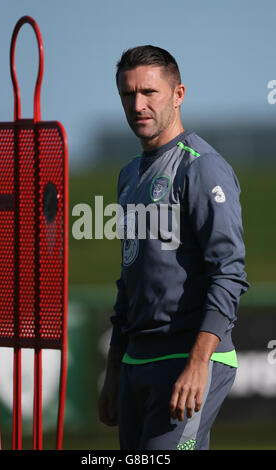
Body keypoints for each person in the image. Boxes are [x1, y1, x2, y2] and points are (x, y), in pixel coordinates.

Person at [98, 45, 249, 450]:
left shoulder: (201, 166)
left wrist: (199, 362)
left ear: (178, 94)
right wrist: (114, 370)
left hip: (188, 358)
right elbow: (130, 277)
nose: (138, 105)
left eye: (150, 92)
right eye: (128, 95)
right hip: (135, 363)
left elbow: (230, 271)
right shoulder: (129, 175)